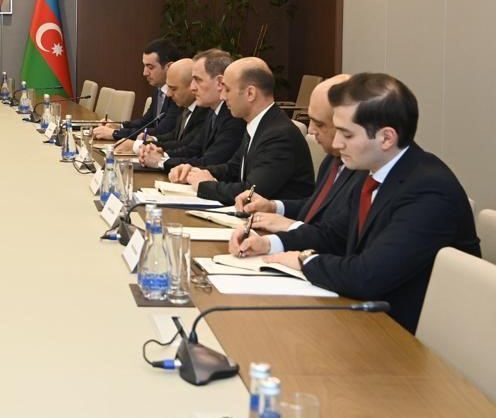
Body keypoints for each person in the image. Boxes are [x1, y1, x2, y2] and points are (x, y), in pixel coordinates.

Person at [230, 73, 480, 333]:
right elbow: (334, 234)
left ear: (386, 138)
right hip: (368, 316)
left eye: (347, 134)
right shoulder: (374, 170)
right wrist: (269, 244)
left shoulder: (429, 191)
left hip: (406, 334)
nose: (337, 143)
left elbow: (368, 275)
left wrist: (305, 260)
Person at [175, 57, 314, 204]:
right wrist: (195, 172)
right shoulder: (259, 123)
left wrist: (205, 185)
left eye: (227, 90)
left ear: (250, 93)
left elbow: (251, 191)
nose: (222, 96)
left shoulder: (279, 135)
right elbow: (234, 168)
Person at [235, 74, 364, 233]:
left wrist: (292, 226)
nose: (310, 130)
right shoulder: (332, 160)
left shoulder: (363, 170)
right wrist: (273, 207)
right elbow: (317, 206)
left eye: (319, 124)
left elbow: (338, 234)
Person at [159, 49, 244, 178]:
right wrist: (161, 156)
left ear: (219, 82)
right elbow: (193, 149)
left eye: (198, 80)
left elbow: (211, 161)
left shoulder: (233, 116)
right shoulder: (212, 111)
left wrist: (161, 162)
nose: (192, 87)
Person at [117, 57, 208, 158]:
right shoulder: (184, 106)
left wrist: (138, 146)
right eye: (168, 88)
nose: (168, 94)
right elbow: (174, 135)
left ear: (192, 86)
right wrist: (154, 139)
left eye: (173, 89)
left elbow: (186, 145)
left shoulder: (204, 111)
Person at [94, 38, 181, 141]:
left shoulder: (178, 95)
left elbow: (162, 131)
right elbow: (145, 122)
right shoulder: (158, 90)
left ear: (169, 67)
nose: (145, 73)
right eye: (144, 66)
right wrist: (119, 126)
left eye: (150, 67)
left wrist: (116, 133)